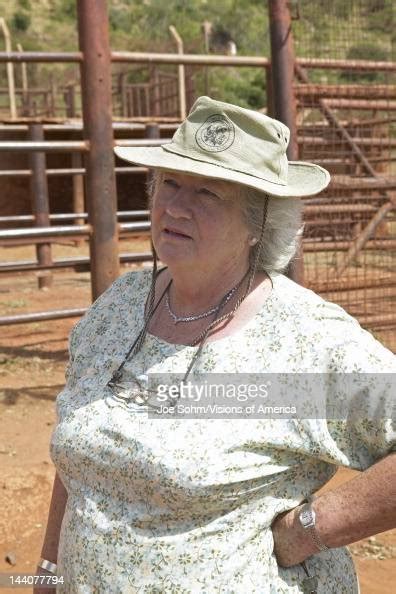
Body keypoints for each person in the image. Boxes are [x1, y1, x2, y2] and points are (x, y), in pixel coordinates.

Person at [36, 96, 396, 593]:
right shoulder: (119, 306)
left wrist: (310, 529)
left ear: (258, 223)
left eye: (209, 193)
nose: (175, 206)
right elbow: (80, 444)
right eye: (170, 183)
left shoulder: (306, 340)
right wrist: (49, 569)